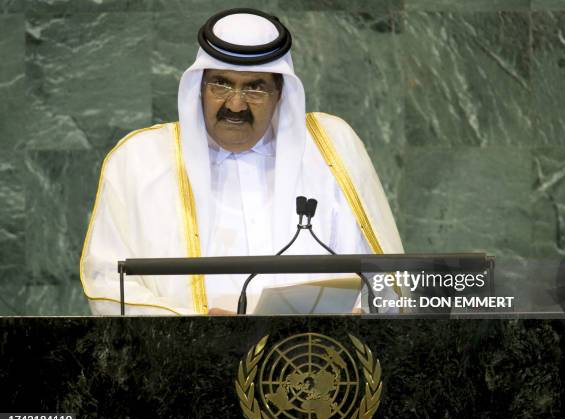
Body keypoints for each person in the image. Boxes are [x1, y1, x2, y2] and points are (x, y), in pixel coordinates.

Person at [80, 8, 403, 315]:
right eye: (221, 83)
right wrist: (196, 323)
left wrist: (359, 317)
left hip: (314, 360)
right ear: (199, 88)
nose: (235, 104)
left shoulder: (331, 147)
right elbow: (107, 284)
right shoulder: (138, 160)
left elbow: (392, 279)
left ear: (280, 94)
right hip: (186, 363)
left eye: (255, 88)